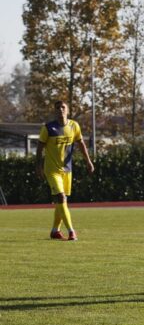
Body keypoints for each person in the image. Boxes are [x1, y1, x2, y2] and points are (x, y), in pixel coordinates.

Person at [36, 100, 94, 241]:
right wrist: (38, 167)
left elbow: (80, 143)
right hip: (52, 170)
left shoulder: (74, 126)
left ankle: (55, 231)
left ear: (67, 110)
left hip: (67, 170)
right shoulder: (48, 128)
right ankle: (71, 231)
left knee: (62, 201)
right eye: (57, 108)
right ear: (54, 111)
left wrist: (88, 161)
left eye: (63, 107)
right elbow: (39, 148)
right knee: (61, 197)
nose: (60, 110)